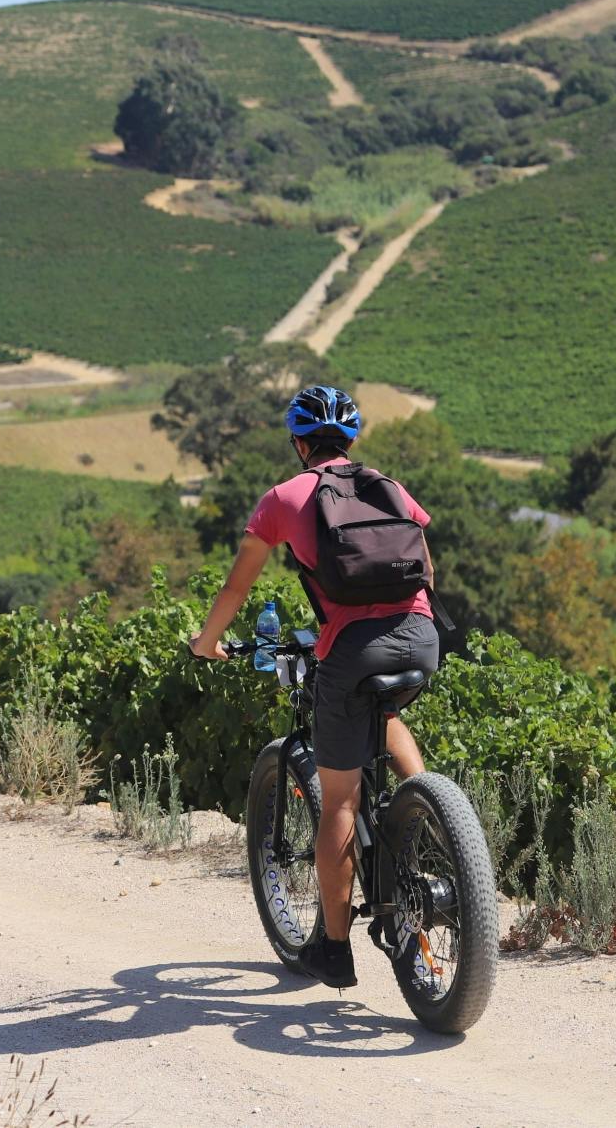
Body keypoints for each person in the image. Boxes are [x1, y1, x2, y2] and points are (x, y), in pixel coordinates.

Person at [187, 384, 437, 990]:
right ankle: (427, 818)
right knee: (387, 714)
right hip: (422, 637)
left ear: (299, 443)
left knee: (341, 801)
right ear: (350, 441)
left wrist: (206, 641)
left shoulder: (285, 498)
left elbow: (236, 589)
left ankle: (333, 947)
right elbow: (426, 564)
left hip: (352, 651)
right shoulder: (388, 486)